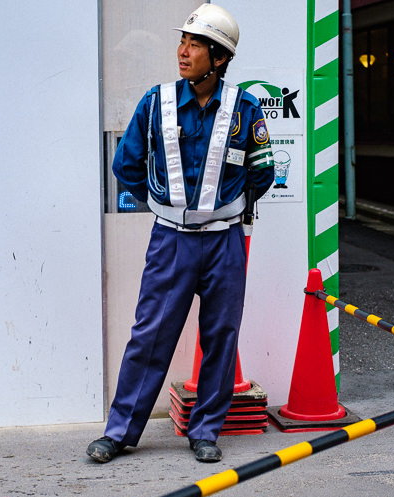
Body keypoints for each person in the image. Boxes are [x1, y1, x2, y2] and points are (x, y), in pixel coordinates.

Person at [87, 3, 274, 464]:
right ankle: (120, 431)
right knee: (150, 334)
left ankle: (205, 430)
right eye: (183, 41)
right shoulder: (157, 103)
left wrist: (226, 208)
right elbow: (125, 165)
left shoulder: (245, 108)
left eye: (195, 44)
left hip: (226, 241)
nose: (183, 51)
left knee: (220, 334)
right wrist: (162, 204)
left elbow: (262, 174)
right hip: (171, 240)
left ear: (220, 57)